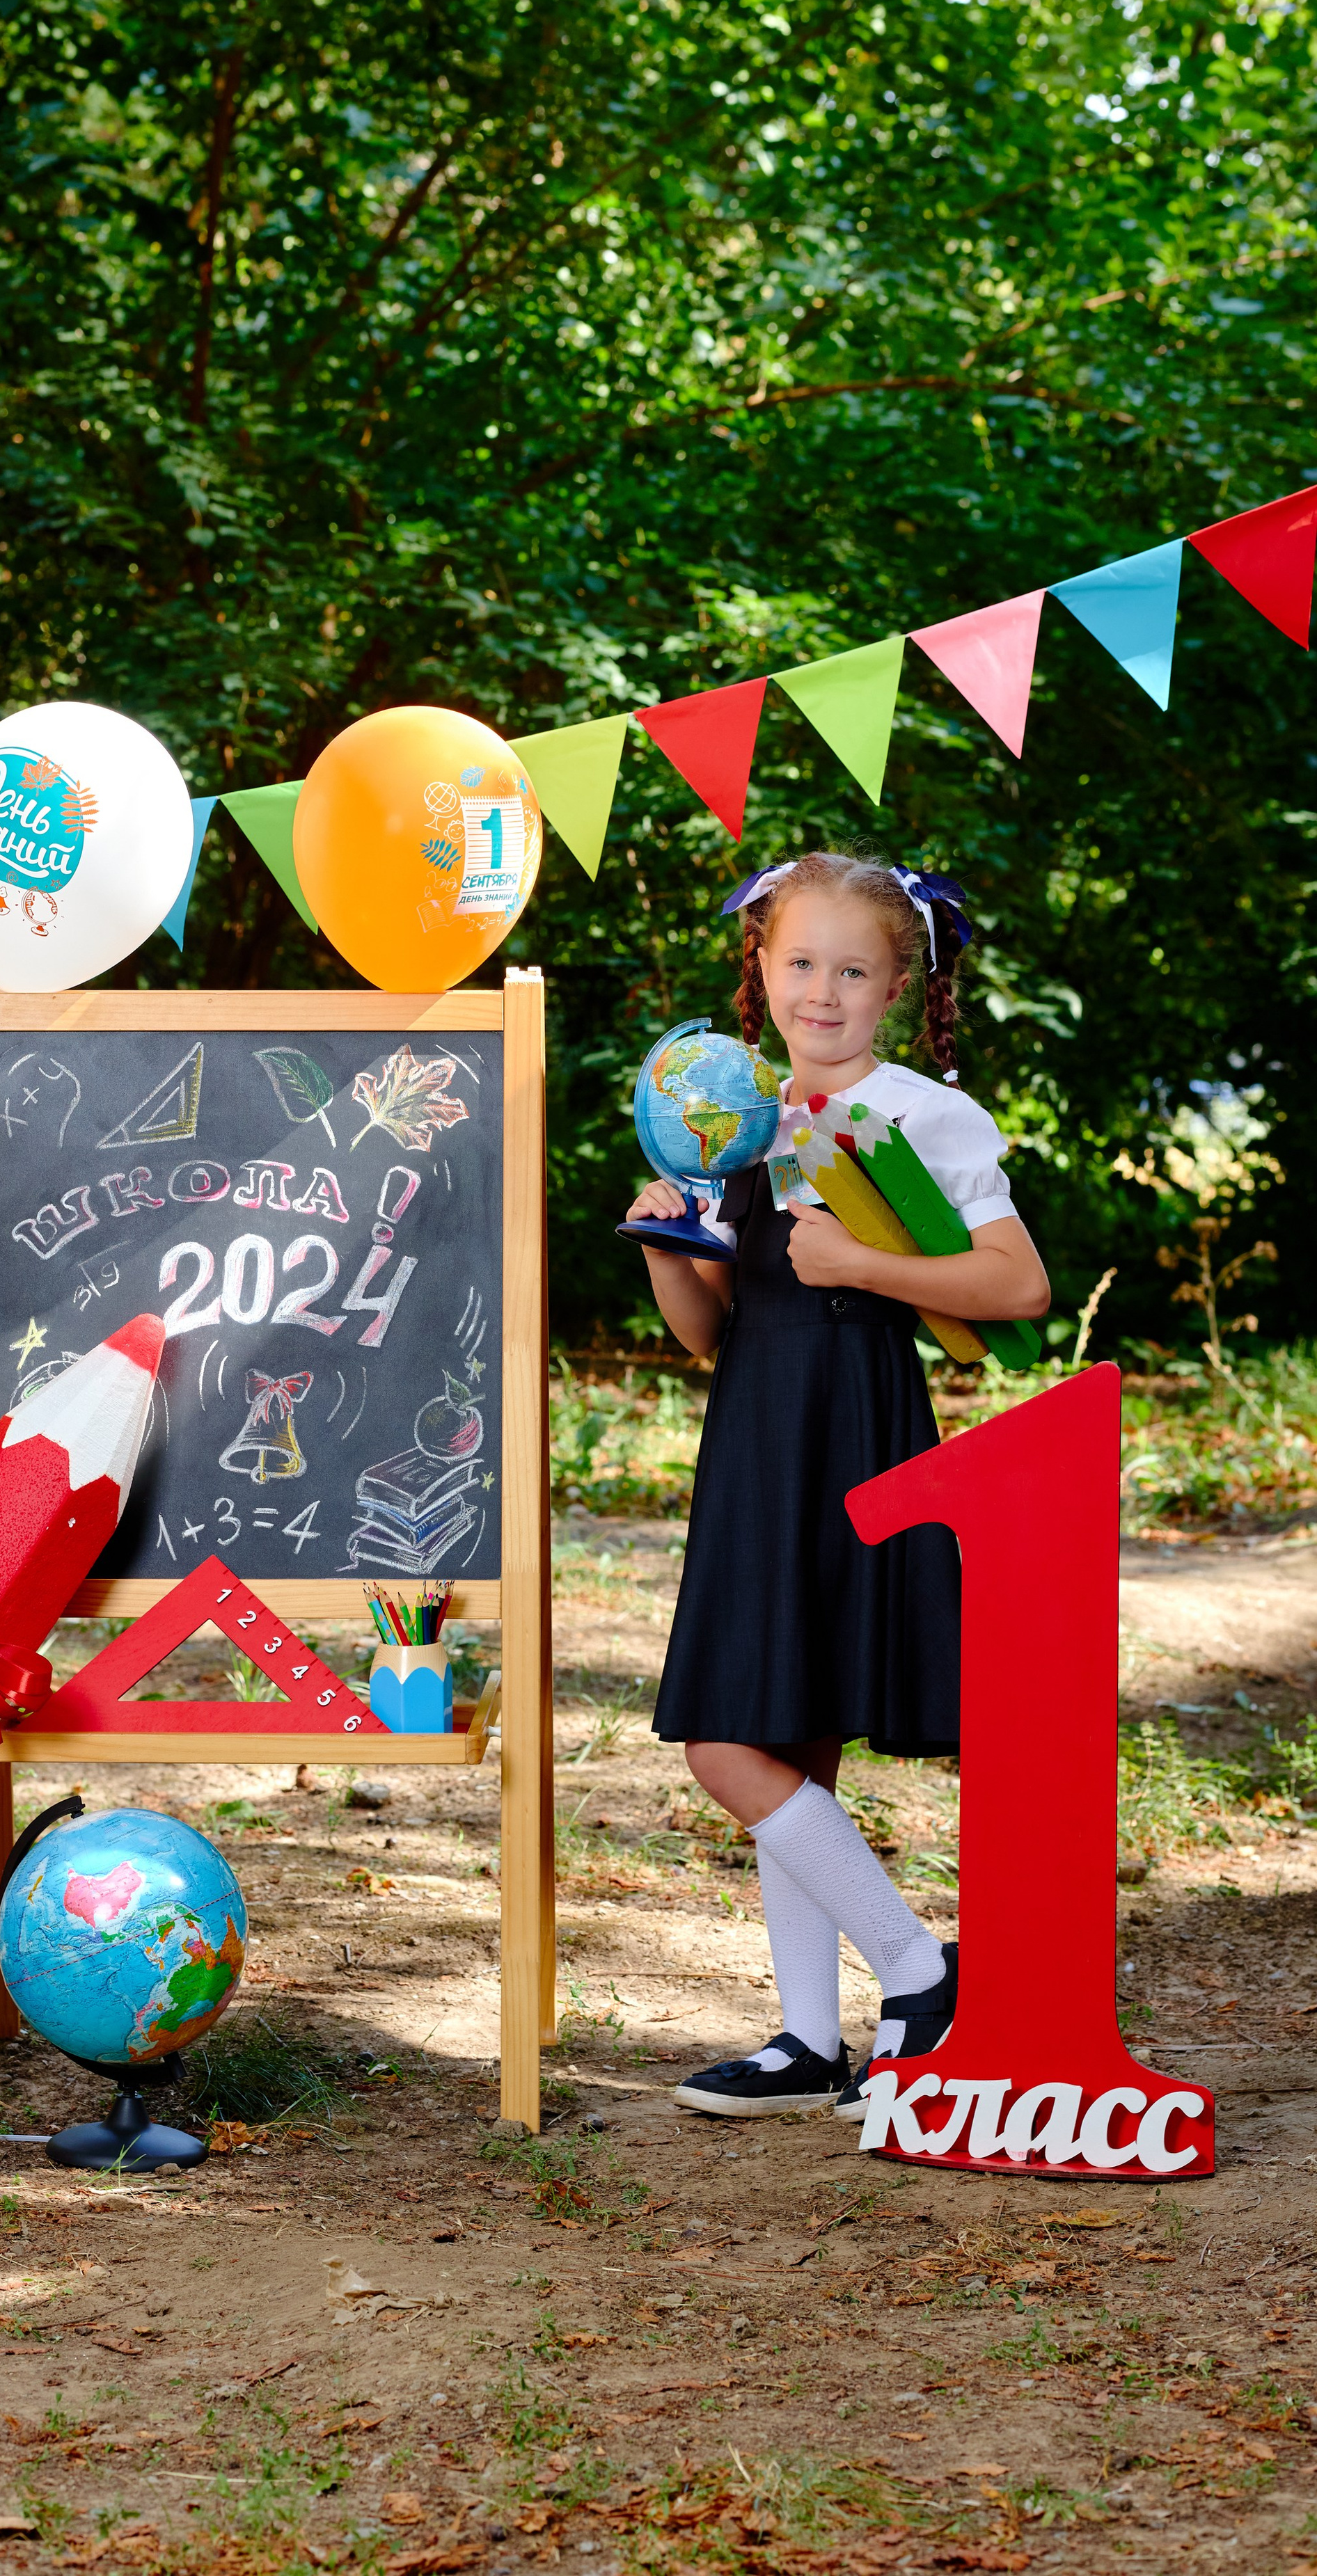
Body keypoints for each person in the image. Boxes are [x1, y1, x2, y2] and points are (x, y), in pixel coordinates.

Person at [625, 851, 1050, 2121]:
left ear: (898, 987)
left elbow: (1017, 1289)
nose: (824, 990)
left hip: (859, 1422)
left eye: (853, 970)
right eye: (800, 962)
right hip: (756, 1427)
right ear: (760, 969)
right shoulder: (727, 1111)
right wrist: (664, 1242)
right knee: (777, 1726)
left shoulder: (924, 1116)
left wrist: (861, 1258)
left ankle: (921, 1968)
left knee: (723, 1744)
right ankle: (812, 2038)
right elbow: (707, 1330)